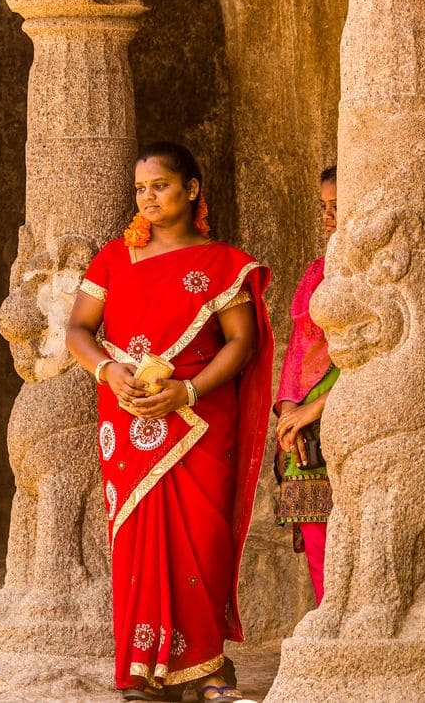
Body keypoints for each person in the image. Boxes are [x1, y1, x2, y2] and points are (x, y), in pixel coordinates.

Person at [66, 142, 273, 703]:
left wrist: (188, 388)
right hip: (130, 420)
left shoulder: (223, 263)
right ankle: (142, 675)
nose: (148, 197)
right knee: (136, 544)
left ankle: (208, 672)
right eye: (141, 188)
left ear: (192, 188)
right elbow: (78, 330)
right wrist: (109, 372)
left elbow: (242, 342)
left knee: (201, 542)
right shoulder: (113, 258)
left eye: (160, 185)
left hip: (199, 421)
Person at [273, 165, 337, 603]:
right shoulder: (316, 273)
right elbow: (296, 355)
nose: (328, 216)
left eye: (339, 206)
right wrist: (288, 414)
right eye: (323, 207)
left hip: (345, 415)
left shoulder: (366, 281)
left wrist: (313, 411)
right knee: (319, 547)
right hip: (305, 434)